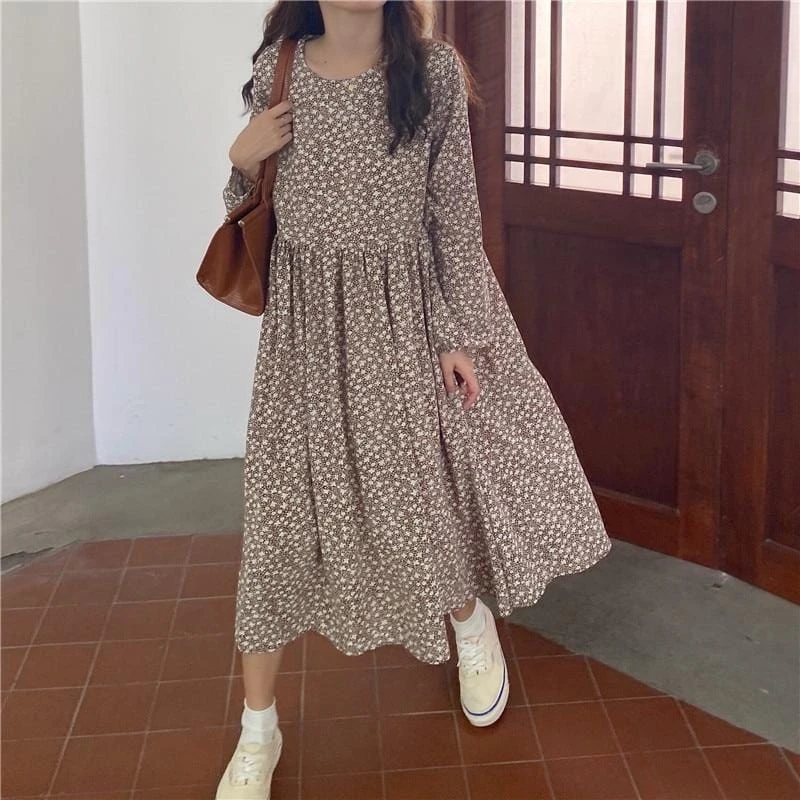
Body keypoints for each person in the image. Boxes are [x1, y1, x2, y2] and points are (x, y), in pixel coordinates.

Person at [214, 1, 612, 796]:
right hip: (303, 333)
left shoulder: (430, 74)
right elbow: (249, 208)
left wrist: (455, 334)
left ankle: (469, 623)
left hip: (401, 321)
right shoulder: (278, 68)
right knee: (278, 518)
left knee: (416, 497)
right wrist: (240, 157)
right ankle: (258, 729)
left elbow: (453, 218)